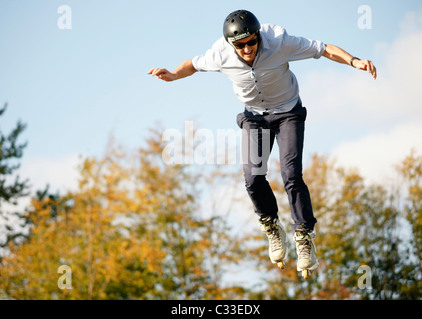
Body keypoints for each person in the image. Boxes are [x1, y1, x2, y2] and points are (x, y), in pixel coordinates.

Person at [148, 10, 377, 275]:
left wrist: (355, 61)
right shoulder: (220, 53)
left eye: (251, 42)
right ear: (232, 45)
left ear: (258, 35)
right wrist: (174, 75)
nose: (247, 49)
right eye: (240, 45)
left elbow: (324, 49)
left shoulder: (279, 40)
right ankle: (271, 225)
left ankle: (304, 236)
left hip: (288, 113)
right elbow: (193, 64)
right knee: (253, 177)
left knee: (291, 173)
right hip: (254, 117)